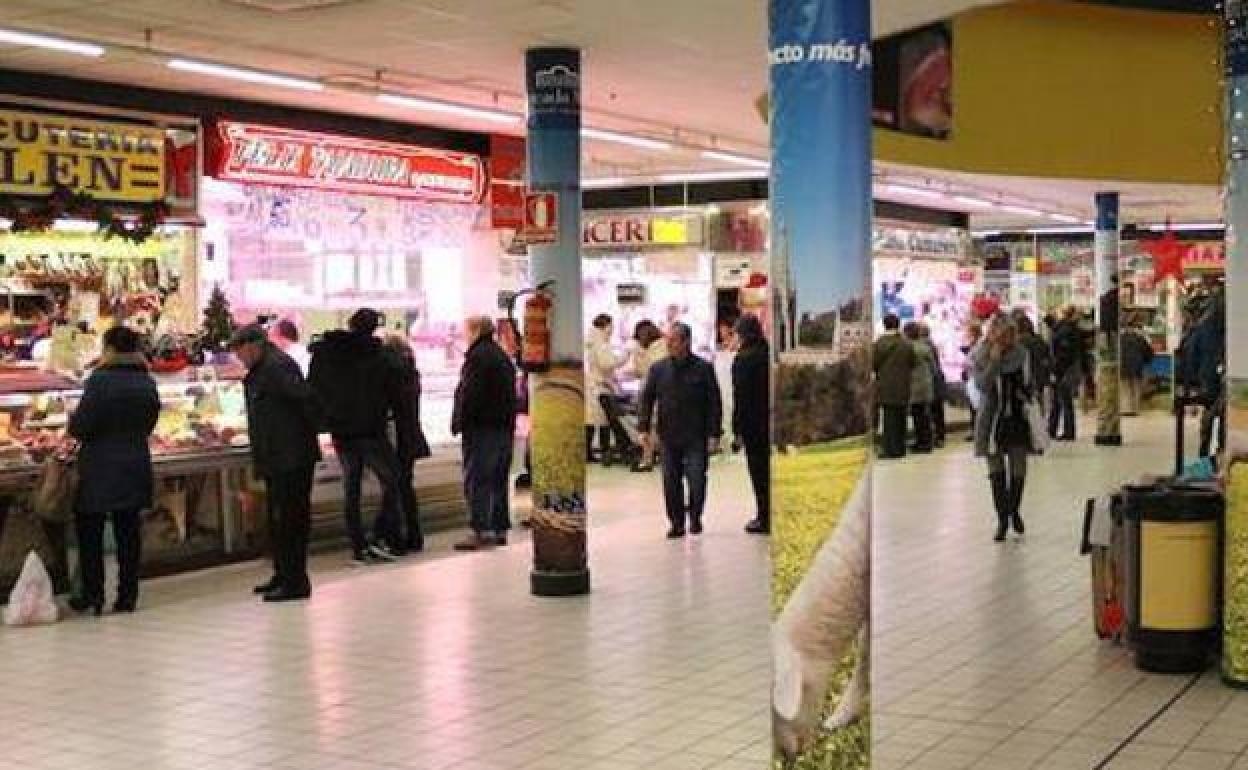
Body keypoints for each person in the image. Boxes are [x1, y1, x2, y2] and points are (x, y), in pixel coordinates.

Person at [67, 326, 160, 616]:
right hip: (134, 461)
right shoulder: (146, 380)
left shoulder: (99, 380)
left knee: (90, 531)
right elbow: (151, 420)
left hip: (99, 466)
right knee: (128, 532)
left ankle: (93, 595)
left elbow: (81, 426)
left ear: (108, 348)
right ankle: (127, 596)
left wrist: (73, 421)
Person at [308, 308, 407, 564]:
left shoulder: (326, 352)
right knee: (392, 480)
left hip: (341, 430)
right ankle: (378, 536)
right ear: (374, 327)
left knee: (351, 489)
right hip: (370, 429)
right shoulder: (378, 355)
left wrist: (323, 421)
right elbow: (397, 387)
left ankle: (358, 545)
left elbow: (314, 389)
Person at [231, 325, 321, 602]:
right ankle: (283, 574)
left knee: (291, 520)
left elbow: (306, 400)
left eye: (240, 353)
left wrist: (296, 438)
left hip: (290, 457)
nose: (240, 359)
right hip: (278, 455)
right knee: (278, 519)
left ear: (253, 346)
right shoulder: (265, 368)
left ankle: (295, 581)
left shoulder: (276, 368)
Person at [638, 322, 723, 539]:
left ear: (686, 342)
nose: (669, 344)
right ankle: (676, 522)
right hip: (668, 435)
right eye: (668, 339)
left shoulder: (703, 369)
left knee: (696, 479)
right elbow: (647, 399)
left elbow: (714, 402)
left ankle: (695, 515)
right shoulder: (658, 370)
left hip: (696, 434)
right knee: (670, 480)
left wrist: (714, 434)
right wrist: (644, 427)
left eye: (674, 340)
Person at [451, 315, 518, 550]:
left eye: (466, 330)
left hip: (482, 429)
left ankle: (480, 530)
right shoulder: (501, 356)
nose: (464, 335)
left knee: (478, 479)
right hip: (502, 427)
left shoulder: (477, 357)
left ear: (477, 330)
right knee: (498, 479)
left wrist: (460, 421)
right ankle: (499, 528)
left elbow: (471, 395)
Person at [973, 317, 1038, 542]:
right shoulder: (979, 354)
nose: (1006, 341)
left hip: (1017, 417)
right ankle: (1002, 519)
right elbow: (981, 385)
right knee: (996, 470)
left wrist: (1026, 394)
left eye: (1010, 336)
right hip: (991, 420)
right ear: (991, 335)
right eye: (1000, 336)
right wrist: (994, 362)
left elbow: (1031, 384)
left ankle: (1014, 509)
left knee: (1018, 467)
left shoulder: (1022, 354)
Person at [383, 334, 432, 553]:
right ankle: (413, 534)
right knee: (405, 486)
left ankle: (396, 537)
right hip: (411, 435)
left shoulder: (391, 373)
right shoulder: (411, 371)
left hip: (397, 437)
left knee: (394, 487)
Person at [732, 315, 770, 535]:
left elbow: (741, 397)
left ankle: (764, 516)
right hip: (771, 420)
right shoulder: (768, 353)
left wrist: (737, 430)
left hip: (753, 424)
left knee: (758, 471)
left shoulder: (743, 359)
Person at [1180, 296, 1226, 457]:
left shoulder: (1202, 327)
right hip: (1223, 378)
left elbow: (1191, 357)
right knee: (1224, 418)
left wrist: (1190, 386)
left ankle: (1205, 454)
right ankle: (1220, 452)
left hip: (1208, 378)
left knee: (1209, 417)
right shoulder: (1234, 324)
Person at [586, 314, 627, 464]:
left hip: (596, 385)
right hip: (599, 387)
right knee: (603, 420)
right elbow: (606, 363)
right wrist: (624, 356)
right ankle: (604, 452)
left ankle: (592, 452)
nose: (612, 329)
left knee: (594, 420)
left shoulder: (593, 341)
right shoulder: (600, 343)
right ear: (606, 326)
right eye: (611, 325)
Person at [873, 313, 915, 459]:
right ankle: (900, 448)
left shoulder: (879, 343)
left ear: (885, 325)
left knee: (889, 419)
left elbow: (874, 363)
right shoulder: (906, 343)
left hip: (886, 385)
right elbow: (912, 362)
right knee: (901, 417)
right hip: (904, 385)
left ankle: (890, 449)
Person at [629, 320, 668, 472]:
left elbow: (642, 371)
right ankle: (650, 459)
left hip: (654, 395)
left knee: (648, 428)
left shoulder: (655, 349)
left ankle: (647, 459)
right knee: (654, 429)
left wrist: (637, 354)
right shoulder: (661, 346)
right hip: (661, 395)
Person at [1049, 305, 1085, 441]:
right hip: (1066, 369)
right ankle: (1063, 430)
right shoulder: (1071, 329)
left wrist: (1055, 369)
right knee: (1063, 401)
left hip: (1061, 370)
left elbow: (1060, 352)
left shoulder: (1063, 329)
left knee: (1060, 401)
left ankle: (1057, 430)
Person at [1013, 311, 1053, 420]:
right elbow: (1047, 357)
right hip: (1038, 376)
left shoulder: (1018, 343)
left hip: (1025, 377)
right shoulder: (1039, 340)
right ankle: (1040, 421)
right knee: (1038, 401)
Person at [904, 322, 935, 453]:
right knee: (924, 415)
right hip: (926, 384)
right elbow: (933, 367)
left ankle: (922, 443)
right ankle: (927, 441)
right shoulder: (925, 347)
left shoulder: (908, 348)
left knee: (918, 416)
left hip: (914, 386)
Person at [919, 323, 947, 448]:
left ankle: (936, 437)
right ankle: (940, 436)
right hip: (937, 380)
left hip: (931, 382)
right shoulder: (931, 344)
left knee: (932, 411)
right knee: (938, 411)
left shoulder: (925, 345)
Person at [1120, 322, 1154, 417]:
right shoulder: (1140, 338)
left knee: (1125, 388)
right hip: (1137, 366)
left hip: (1124, 366)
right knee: (1136, 388)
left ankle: (1126, 409)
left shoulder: (1120, 339)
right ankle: (1135, 409)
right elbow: (1149, 352)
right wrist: (1146, 361)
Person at [962, 320, 984, 441]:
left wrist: (968, 363)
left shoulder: (979, 345)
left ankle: (979, 430)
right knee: (974, 406)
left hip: (976, 379)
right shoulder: (973, 344)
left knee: (977, 406)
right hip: (972, 378)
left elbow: (976, 361)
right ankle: (976, 430)